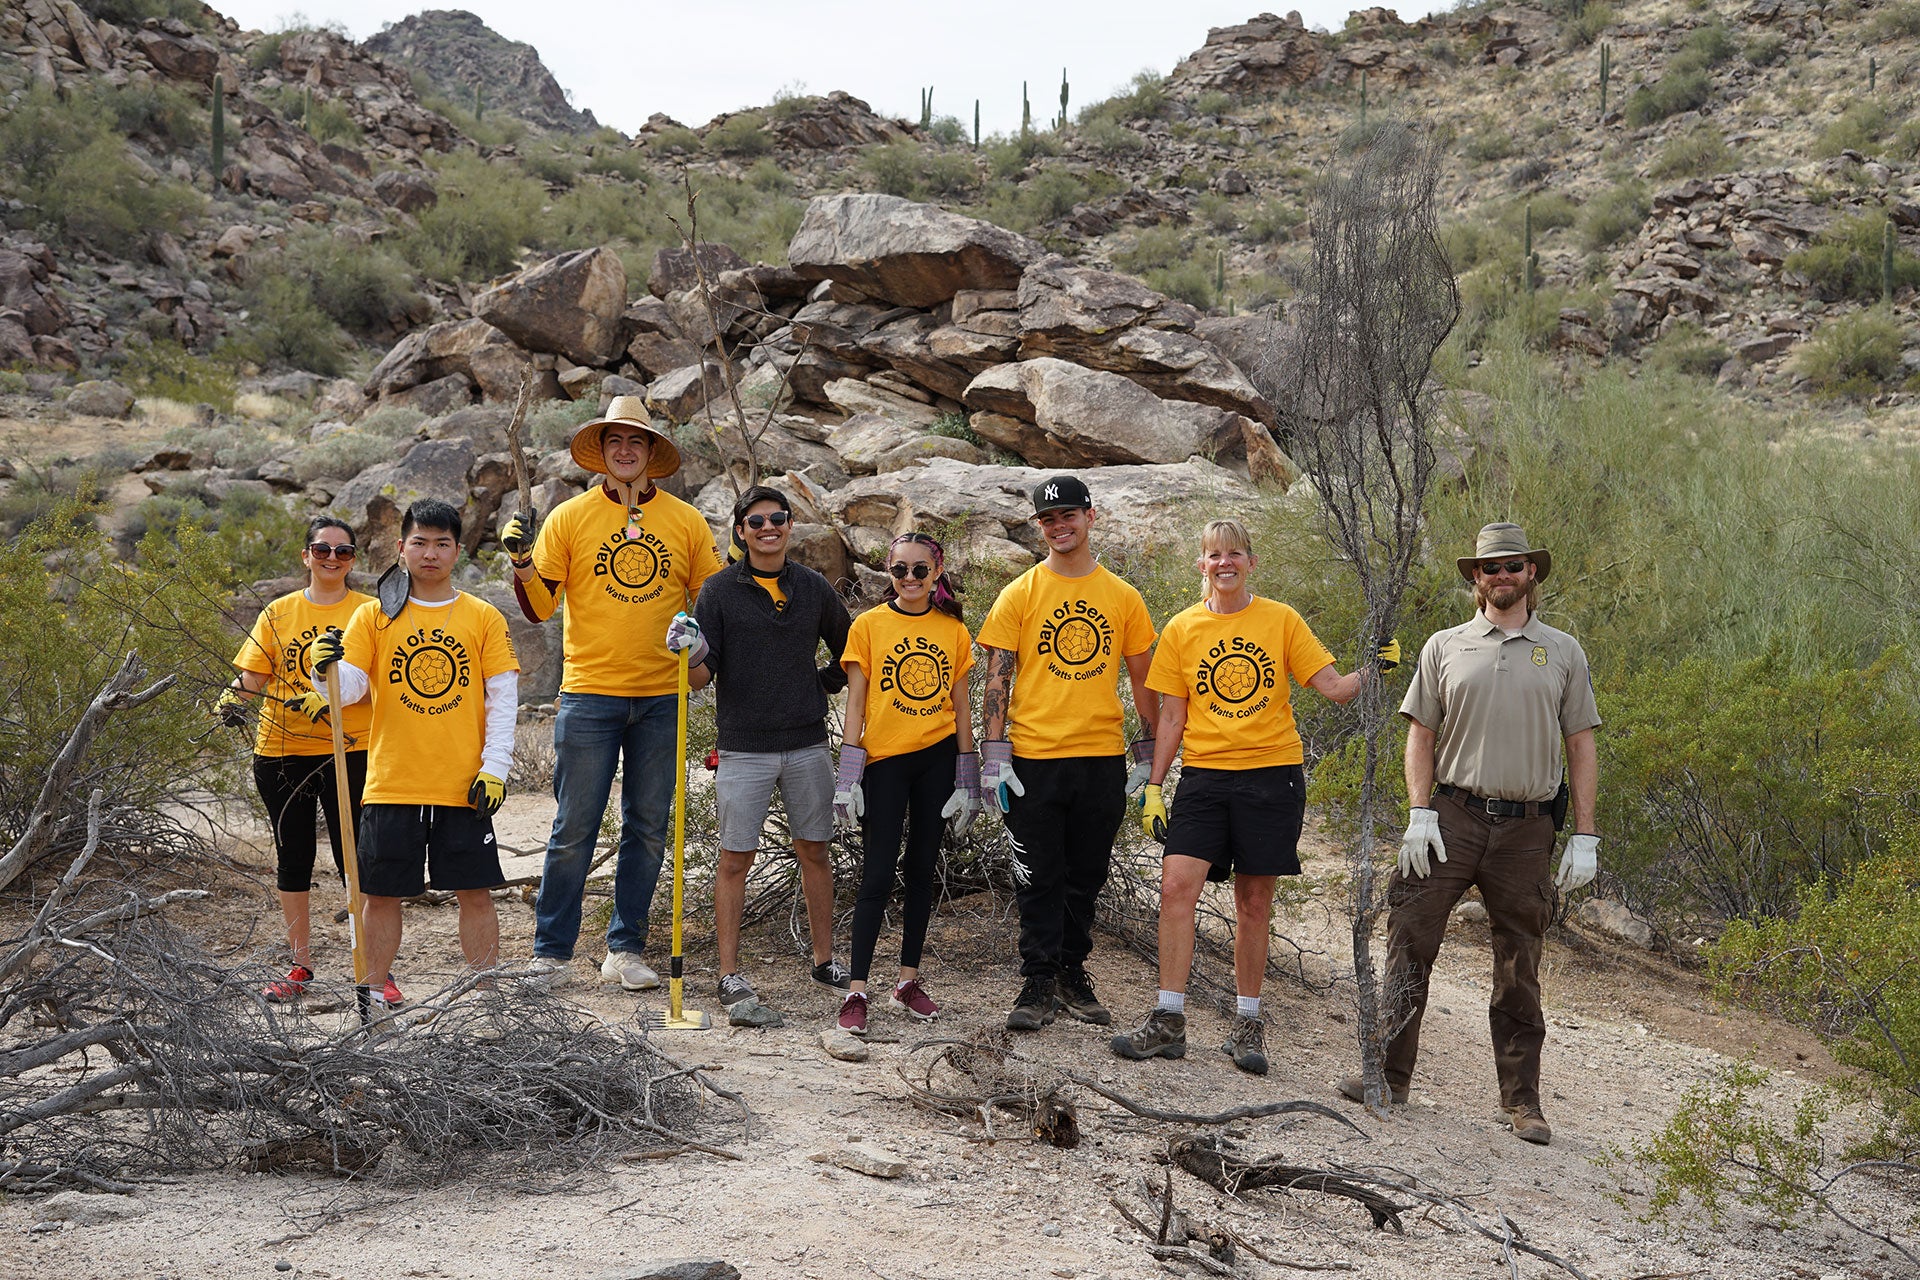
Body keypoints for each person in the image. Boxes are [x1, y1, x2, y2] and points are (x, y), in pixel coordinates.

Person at [1338, 522, 1600, 1147]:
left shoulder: (1562, 651)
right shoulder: (1445, 645)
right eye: (1490, 568)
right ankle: (1388, 1075)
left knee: (1519, 962)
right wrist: (1419, 812)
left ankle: (1523, 1102)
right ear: (1475, 579)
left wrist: (1586, 836)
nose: (1501, 576)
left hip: (1528, 826)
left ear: (1532, 572)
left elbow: (1581, 743)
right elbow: (1420, 735)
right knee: (1410, 937)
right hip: (1451, 817)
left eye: (1513, 565)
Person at [1112, 519, 1394, 1075]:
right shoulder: (1182, 628)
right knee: (1176, 887)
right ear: (1202, 565)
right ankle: (1169, 1021)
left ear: (1250, 562)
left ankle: (1247, 1023)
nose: (1225, 564)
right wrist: (1152, 787)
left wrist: (1376, 668)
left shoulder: (1280, 619)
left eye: (1234, 554)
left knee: (1253, 902)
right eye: (1214, 555)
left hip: (1272, 778)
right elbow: (1172, 716)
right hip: (1205, 779)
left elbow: (1334, 690)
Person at [500, 397, 724, 990]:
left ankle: (625, 948)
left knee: (648, 825)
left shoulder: (686, 521)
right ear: (601, 452)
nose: (625, 451)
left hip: (662, 695)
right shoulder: (570, 517)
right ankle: (551, 953)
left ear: (652, 451)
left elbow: (715, 600)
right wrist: (522, 565)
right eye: (614, 442)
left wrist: (702, 645)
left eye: (636, 441)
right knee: (574, 825)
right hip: (589, 693)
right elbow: (541, 604)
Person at [307, 500, 519, 1003]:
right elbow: (348, 690)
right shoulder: (373, 615)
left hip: (463, 784)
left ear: (458, 551)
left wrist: (496, 769)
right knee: (379, 895)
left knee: (475, 891)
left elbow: (503, 697)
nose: (430, 553)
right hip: (391, 780)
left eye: (442, 543)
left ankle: (486, 1000)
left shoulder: (482, 616)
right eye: (420, 542)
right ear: (401, 548)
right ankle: (373, 995)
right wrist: (323, 669)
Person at [977, 475, 1158, 1032]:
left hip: (1100, 757)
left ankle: (1071, 973)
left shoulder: (1122, 596)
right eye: (1049, 520)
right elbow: (996, 678)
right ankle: (1036, 980)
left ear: (1090, 517)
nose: (1060, 527)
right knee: (1037, 874)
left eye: (1069, 516)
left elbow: (1144, 680)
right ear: (1041, 527)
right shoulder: (1021, 592)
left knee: (1087, 874)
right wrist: (992, 754)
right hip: (1031, 759)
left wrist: (1149, 753)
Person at [676, 486, 853, 1025]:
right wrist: (689, 653)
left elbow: (851, 649)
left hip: (805, 743)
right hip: (743, 747)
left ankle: (824, 962)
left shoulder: (814, 587)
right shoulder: (719, 591)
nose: (768, 528)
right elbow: (704, 678)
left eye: (777, 518)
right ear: (740, 531)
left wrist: (817, 684)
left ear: (790, 524)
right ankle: (729, 973)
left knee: (816, 852)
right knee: (734, 860)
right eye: (756, 522)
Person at [217, 516, 388, 1004]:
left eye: (343, 552)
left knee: (355, 860)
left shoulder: (372, 611)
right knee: (293, 857)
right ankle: (299, 966)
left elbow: (381, 680)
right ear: (305, 555)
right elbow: (253, 676)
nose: (332, 559)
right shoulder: (278, 612)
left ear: (354, 559)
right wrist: (229, 704)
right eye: (322, 550)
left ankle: (373, 970)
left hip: (350, 750)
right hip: (281, 750)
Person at [832, 532, 979, 1036]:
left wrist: (969, 778)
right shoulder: (868, 625)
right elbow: (855, 704)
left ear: (936, 572)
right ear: (888, 573)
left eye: (920, 570)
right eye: (900, 570)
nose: (910, 579)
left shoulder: (953, 631)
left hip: (937, 760)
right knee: (875, 876)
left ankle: (907, 982)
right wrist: (848, 777)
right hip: (886, 762)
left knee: (921, 870)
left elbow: (961, 708)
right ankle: (856, 990)